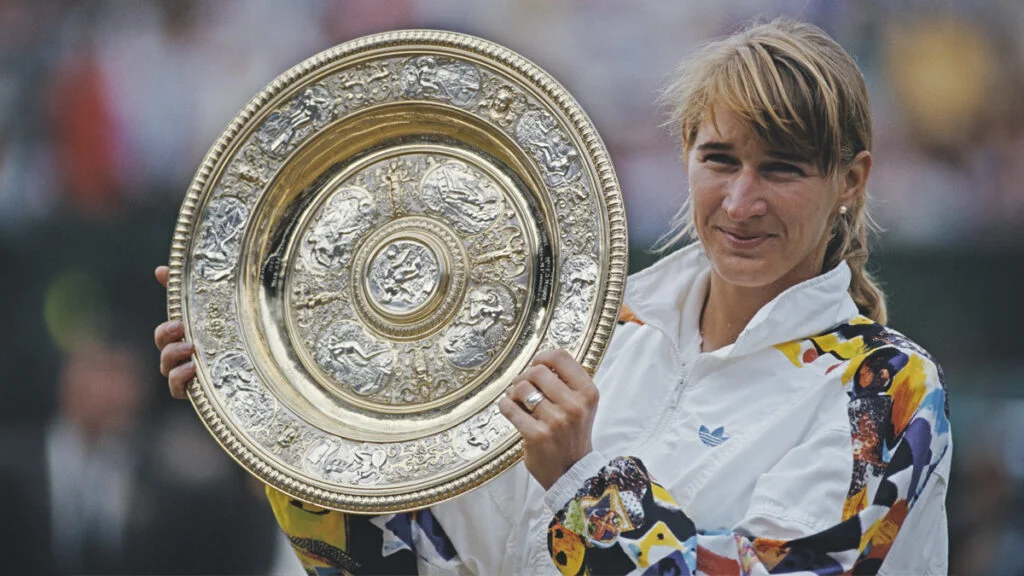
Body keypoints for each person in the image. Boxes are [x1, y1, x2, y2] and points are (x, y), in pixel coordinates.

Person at [155, 18, 950, 575]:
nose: (741, 202)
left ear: (852, 181)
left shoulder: (885, 395)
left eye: (783, 169)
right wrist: (276, 414)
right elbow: (420, 559)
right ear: (684, 153)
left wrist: (581, 481)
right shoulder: (595, 330)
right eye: (720, 159)